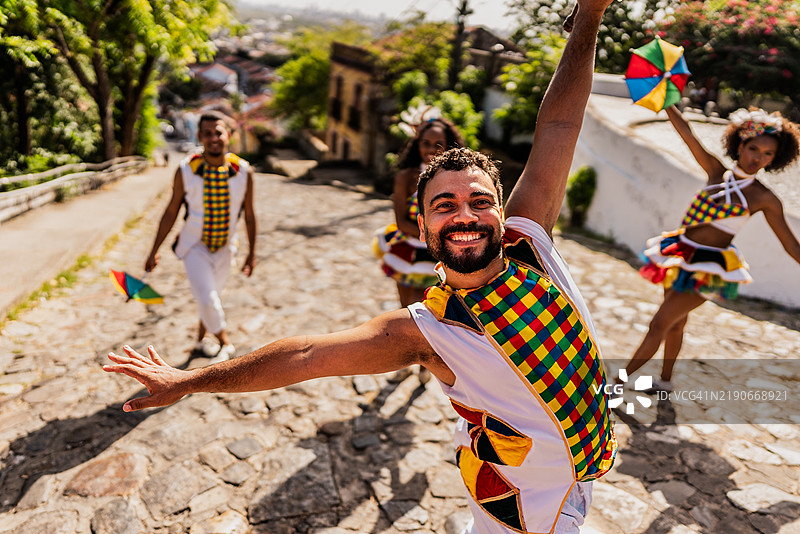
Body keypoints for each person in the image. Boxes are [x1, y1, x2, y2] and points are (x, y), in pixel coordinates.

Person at [105, 1, 616, 532]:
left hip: (585, 474)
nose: (466, 215)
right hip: (523, 514)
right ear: (422, 230)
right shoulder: (432, 330)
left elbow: (558, 123)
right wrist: (191, 380)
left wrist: (589, 19)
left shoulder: (529, 241)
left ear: (502, 210)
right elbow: (303, 356)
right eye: (444, 206)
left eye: (480, 201)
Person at [623, 105, 800, 393]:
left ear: (775, 159)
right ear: (740, 144)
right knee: (675, 325)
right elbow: (687, 134)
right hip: (680, 256)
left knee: (659, 324)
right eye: (754, 148)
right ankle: (665, 382)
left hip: (711, 269)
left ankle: (614, 386)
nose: (758, 158)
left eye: (768, 154)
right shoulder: (716, 172)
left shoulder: (764, 198)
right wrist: (668, 101)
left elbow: (791, 244)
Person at [145, 111, 257, 362]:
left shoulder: (243, 172)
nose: (213, 138)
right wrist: (154, 250)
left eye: (218, 132)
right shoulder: (186, 170)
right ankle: (226, 344)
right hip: (195, 245)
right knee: (207, 297)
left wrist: (251, 253)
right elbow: (171, 211)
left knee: (210, 298)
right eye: (207, 134)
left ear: (228, 135)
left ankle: (199, 340)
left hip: (226, 246)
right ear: (200, 137)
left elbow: (249, 215)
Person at [375, 116, 464, 384]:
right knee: (407, 313)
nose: (431, 149)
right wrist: (431, 236)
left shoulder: (455, 178)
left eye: (439, 144)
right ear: (417, 144)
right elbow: (401, 219)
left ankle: (427, 365)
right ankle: (405, 363)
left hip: (438, 254)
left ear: (449, 146)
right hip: (409, 249)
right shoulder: (406, 176)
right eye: (426, 143)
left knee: (432, 312)